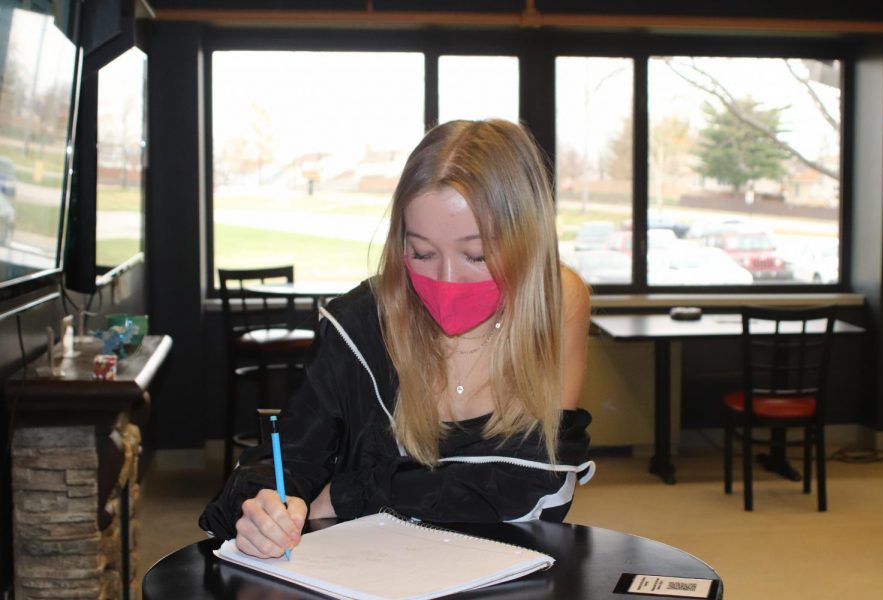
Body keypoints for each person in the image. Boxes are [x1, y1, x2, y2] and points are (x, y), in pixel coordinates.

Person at [200, 119, 594, 559]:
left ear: (527, 240)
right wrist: (263, 507)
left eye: (476, 254)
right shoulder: (358, 322)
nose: (446, 280)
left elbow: (537, 482)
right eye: (422, 253)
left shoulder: (555, 303)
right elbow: (292, 456)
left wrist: (348, 492)